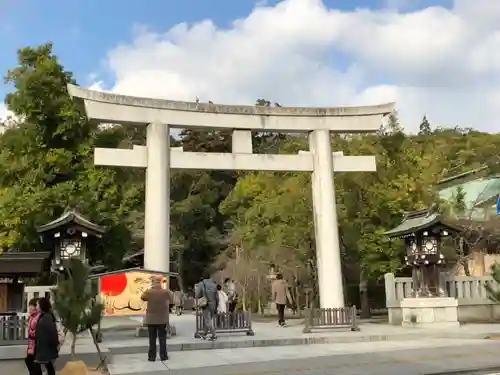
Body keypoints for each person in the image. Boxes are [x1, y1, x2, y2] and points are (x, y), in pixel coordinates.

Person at [141, 277, 174, 362]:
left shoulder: (148, 292)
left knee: (152, 339)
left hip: (151, 320)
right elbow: (171, 299)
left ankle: (152, 357)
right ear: (160, 283)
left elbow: (142, 297)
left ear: (152, 283)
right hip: (162, 319)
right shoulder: (165, 292)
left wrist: (149, 288)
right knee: (162, 338)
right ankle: (163, 356)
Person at [33, 297, 59, 375]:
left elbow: (52, 333)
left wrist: (54, 344)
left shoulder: (46, 317)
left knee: (37, 368)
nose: (36, 306)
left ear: (42, 305)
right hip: (43, 349)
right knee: (48, 366)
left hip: (45, 349)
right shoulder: (44, 316)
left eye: (37, 304)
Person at [195, 273, 219, 341]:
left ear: (203, 277)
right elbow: (217, 297)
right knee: (208, 320)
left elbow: (197, 295)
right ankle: (204, 334)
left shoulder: (201, 284)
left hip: (206, 305)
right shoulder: (214, 285)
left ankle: (214, 335)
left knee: (208, 321)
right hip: (213, 305)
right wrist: (216, 306)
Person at [25, 298, 39, 375]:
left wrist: (31, 332)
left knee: (32, 362)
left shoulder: (37, 317)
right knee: (30, 361)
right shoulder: (31, 317)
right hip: (31, 344)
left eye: (31, 306)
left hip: (36, 344)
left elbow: (37, 330)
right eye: (29, 305)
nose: (29, 307)